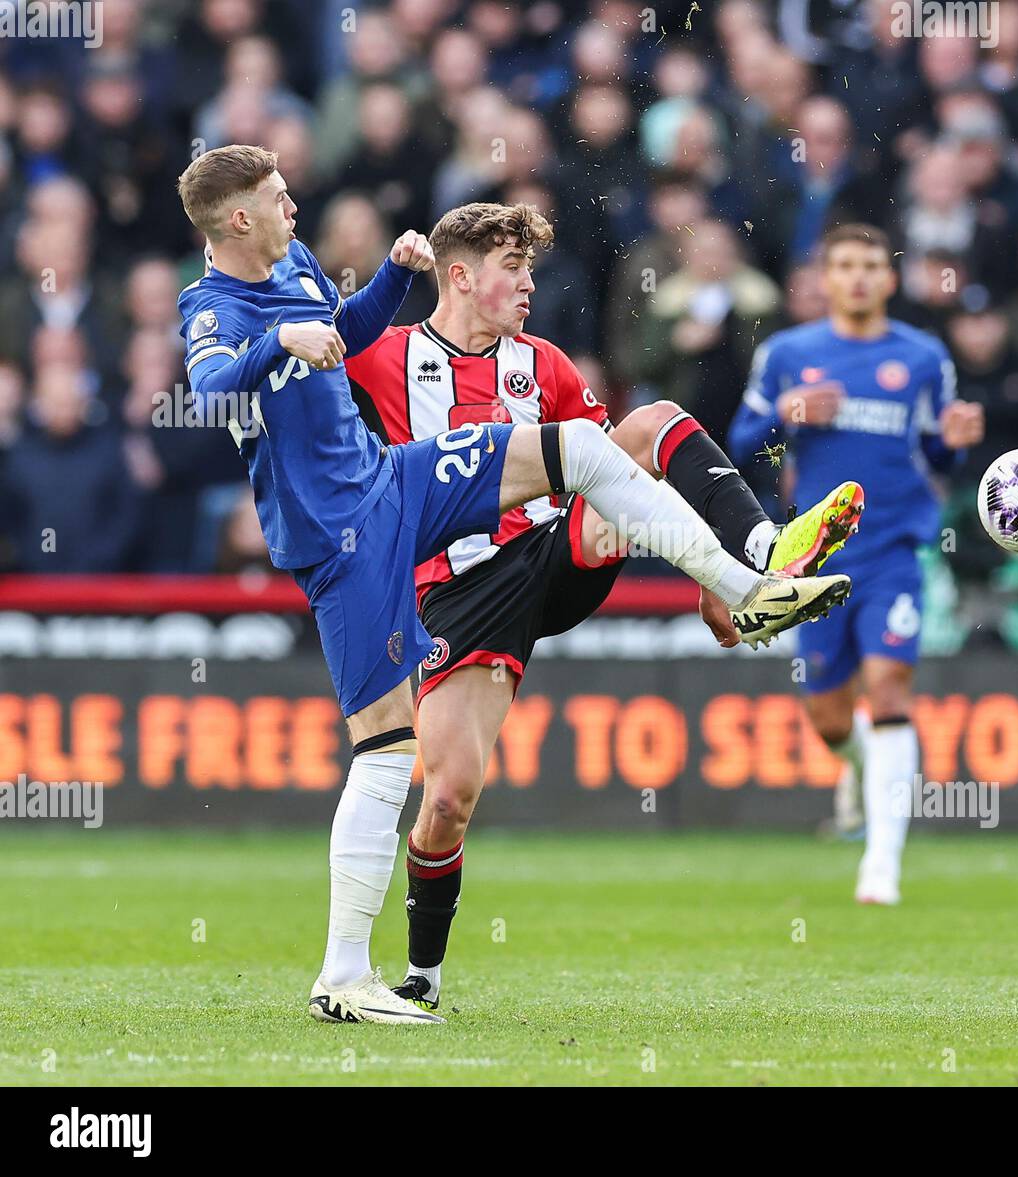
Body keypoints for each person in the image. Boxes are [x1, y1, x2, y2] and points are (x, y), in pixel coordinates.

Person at [175, 146, 853, 1026]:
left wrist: (387, 276)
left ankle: (748, 572)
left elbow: (345, 328)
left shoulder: (307, 268)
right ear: (238, 219)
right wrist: (280, 341)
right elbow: (208, 380)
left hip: (414, 491)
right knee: (411, 770)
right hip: (357, 546)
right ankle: (356, 972)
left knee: (585, 446)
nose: (293, 205)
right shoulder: (214, 304)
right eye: (277, 196)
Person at [344, 200, 866, 1015]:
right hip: (453, 594)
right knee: (446, 799)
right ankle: (423, 975)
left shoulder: (543, 364)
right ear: (459, 276)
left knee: (650, 421)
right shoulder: (385, 357)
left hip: (556, 555)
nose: (527, 284)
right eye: (512, 269)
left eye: (529, 268)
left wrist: (710, 574)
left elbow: (633, 484)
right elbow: (306, 372)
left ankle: (762, 557)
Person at [729, 224, 985, 905]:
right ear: (826, 278)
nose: (860, 277)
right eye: (845, 265)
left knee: (890, 688)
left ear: (890, 278)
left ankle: (881, 863)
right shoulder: (788, 354)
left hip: (896, 548)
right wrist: (786, 414)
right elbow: (739, 440)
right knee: (831, 720)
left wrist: (956, 445)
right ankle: (859, 770)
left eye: (873, 264)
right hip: (816, 557)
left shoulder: (924, 357)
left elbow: (938, 457)